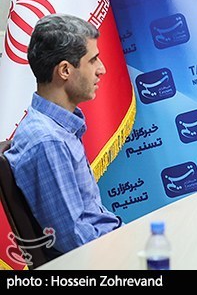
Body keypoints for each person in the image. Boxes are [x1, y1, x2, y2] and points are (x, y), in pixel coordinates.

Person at [5, 14, 122, 255]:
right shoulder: (48, 141)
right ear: (65, 70)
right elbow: (75, 241)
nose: (101, 69)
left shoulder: (57, 130)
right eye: (93, 60)